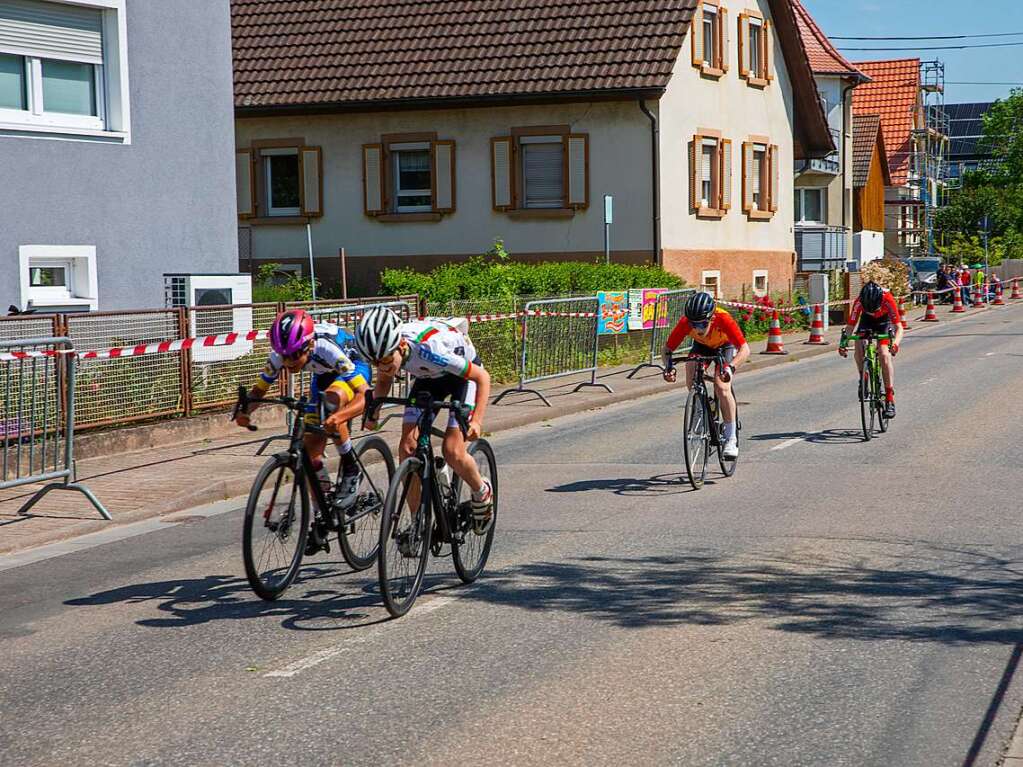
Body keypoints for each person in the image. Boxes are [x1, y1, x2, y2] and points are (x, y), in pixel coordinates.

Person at [235, 309, 371, 555]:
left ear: (308, 345)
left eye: (294, 356)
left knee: (332, 402)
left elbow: (364, 395)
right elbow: (258, 391)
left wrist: (339, 416)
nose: (288, 363)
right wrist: (246, 412)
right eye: (284, 357)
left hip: (354, 367)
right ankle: (322, 514)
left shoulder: (327, 349)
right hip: (322, 375)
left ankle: (351, 467)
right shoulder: (282, 354)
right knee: (309, 454)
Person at [356, 307, 494, 531]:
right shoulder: (389, 351)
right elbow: (383, 380)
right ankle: (418, 522)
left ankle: (482, 491)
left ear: (400, 345)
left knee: (453, 450)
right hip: (428, 378)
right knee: (407, 447)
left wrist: (477, 420)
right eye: (376, 363)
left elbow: (482, 378)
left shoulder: (430, 349)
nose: (382, 367)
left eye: (386, 360)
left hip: (462, 377)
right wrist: (374, 411)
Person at [661, 292, 750, 460]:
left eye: (702, 324)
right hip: (702, 347)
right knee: (691, 370)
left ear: (711, 318)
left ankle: (731, 437)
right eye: (694, 324)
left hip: (724, 346)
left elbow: (745, 349)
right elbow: (667, 350)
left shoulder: (724, 319)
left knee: (722, 386)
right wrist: (668, 367)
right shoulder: (686, 323)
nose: (697, 329)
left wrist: (731, 369)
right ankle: (703, 403)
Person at [839, 281, 904, 418]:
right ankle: (863, 377)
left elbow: (899, 327)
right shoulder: (859, 302)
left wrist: (895, 344)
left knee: (884, 355)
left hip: (883, 323)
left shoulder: (888, 299)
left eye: (873, 308)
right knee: (858, 344)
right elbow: (850, 327)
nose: (870, 310)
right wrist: (843, 343)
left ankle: (889, 399)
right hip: (866, 322)